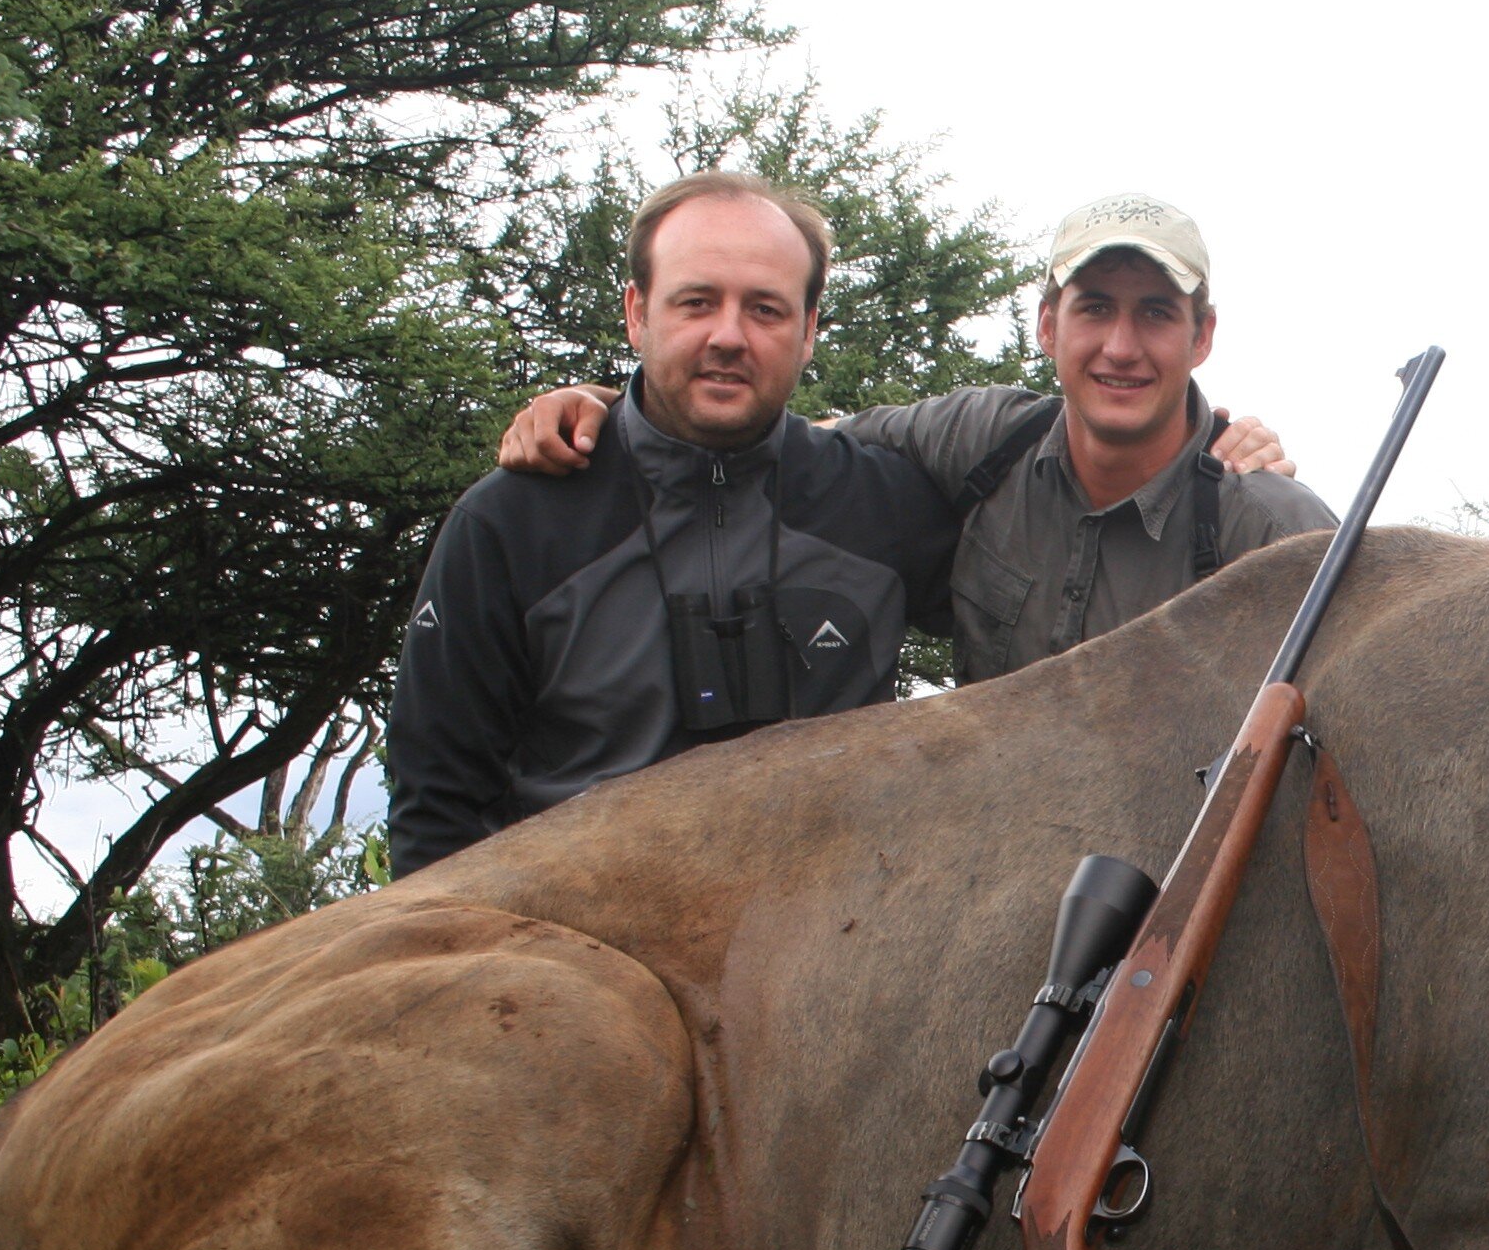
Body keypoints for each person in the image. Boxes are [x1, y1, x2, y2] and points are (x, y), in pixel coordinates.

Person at [492, 192, 1335, 683]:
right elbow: (771, 437)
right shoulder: (984, 439)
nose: (1120, 347)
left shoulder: (1267, 522)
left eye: (1156, 313)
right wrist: (613, 402)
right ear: (1047, 326)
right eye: (1095, 309)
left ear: (1203, 337)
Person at [386, 172, 969, 874]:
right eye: (696, 303)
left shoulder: (883, 504)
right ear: (637, 313)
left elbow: (1037, 597)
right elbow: (435, 811)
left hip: (828, 953)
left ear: (810, 330)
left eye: (766, 310)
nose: (729, 336)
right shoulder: (511, 521)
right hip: (577, 957)